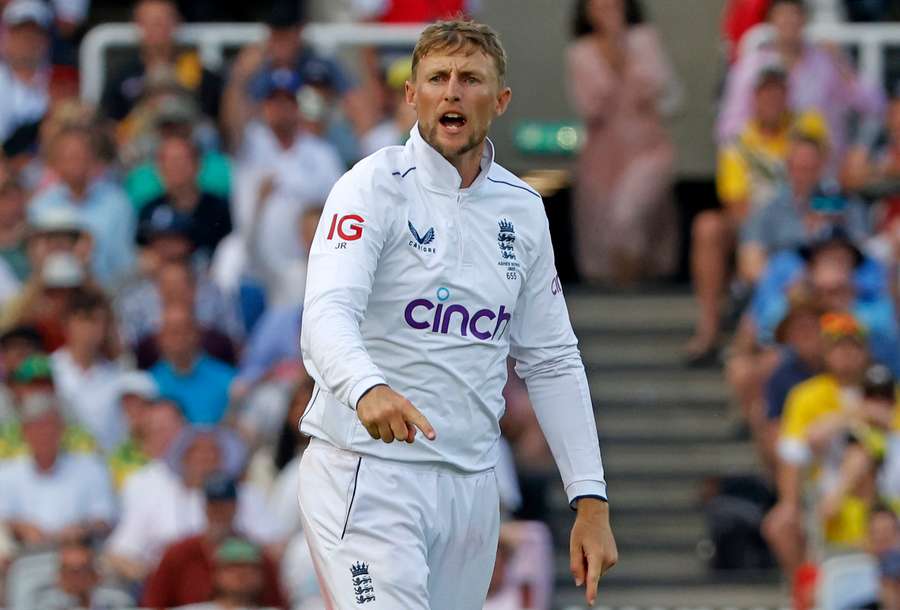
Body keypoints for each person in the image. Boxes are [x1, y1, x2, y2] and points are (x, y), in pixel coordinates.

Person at [298, 19, 615, 609]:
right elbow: (326, 313)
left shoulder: (522, 210)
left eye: (470, 79)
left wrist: (590, 498)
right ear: (411, 95)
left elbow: (550, 360)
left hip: (472, 487)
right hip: (368, 473)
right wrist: (366, 388)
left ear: (499, 101)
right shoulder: (370, 187)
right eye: (437, 78)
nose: (452, 91)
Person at [566, 0, 680, 286]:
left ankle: (634, 288)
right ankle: (623, 298)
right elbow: (590, 106)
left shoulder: (645, 41)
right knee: (604, 238)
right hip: (603, 159)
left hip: (648, 150)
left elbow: (660, 88)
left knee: (628, 214)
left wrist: (621, 42)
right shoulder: (580, 52)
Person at [142, 475, 286, 609]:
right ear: (205, 507)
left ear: (235, 507)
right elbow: (153, 603)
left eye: (225, 506)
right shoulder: (178, 554)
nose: (219, 512)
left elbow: (278, 602)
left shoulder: (257, 554)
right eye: (214, 505)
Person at [0, 392, 115, 547]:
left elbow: (105, 519)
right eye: (37, 426)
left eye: (51, 426)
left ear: (63, 429)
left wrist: (81, 529)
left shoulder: (90, 467)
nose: (45, 434)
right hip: (24, 557)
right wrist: (19, 526)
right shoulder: (8, 473)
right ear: (25, 432)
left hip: (79, 552)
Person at [100, 0, 223, 122]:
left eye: (165, 21)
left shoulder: (201, 74)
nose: (159, 29)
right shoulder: (122, 77)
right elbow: (109, 125)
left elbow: (217, 125)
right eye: (152, 22)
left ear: (177, 23)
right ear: (138, 26)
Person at [33, 538, 136, 610]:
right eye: (71, 571)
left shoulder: (116, 601)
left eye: (82, 570)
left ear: (95, 574)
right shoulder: (45, 602)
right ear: (60, 575)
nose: (77, 578)